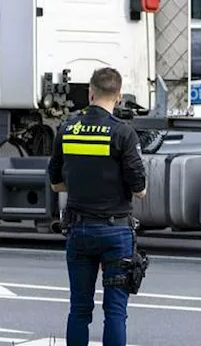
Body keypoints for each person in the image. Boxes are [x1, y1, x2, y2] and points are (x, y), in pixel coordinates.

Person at [48, 67, 147, 346]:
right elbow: (139, 189)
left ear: (90, 93)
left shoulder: (67, 129)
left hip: (78, 231)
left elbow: (55, 183)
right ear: (118, 97)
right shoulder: (123, 133)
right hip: (116, 233)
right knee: (115, 312)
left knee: (79, 309)